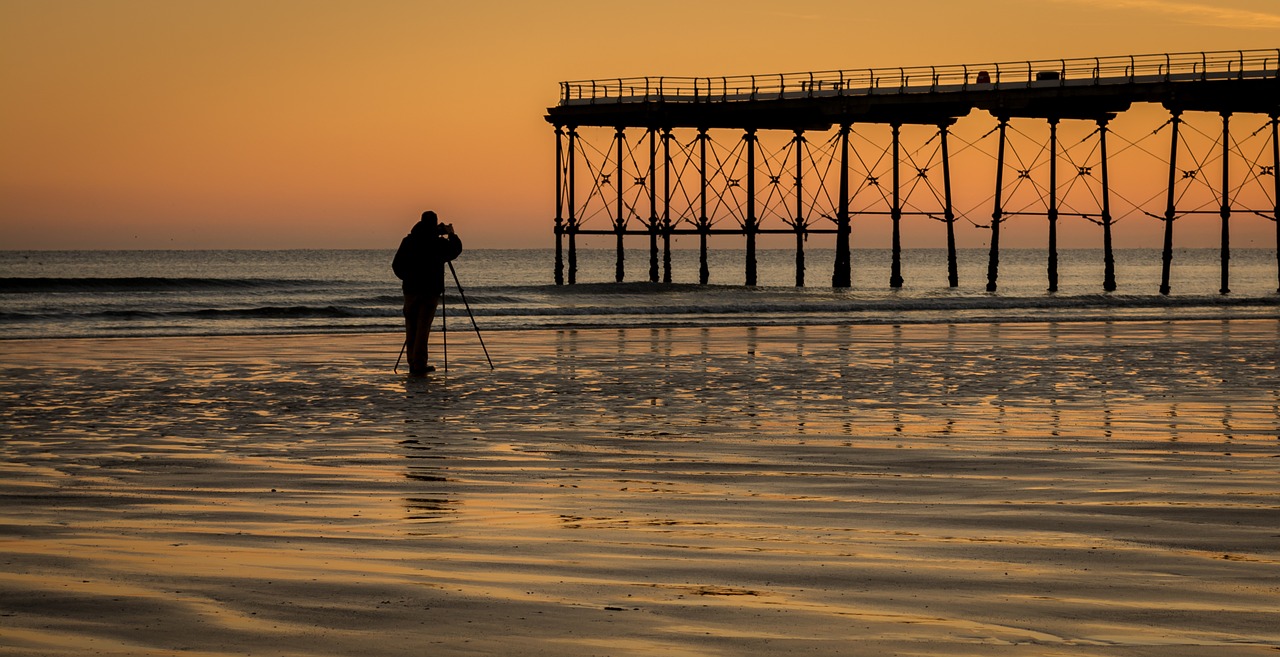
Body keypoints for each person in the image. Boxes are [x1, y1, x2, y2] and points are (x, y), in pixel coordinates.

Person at [392, 211, 463, 376]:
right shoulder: (437, 243)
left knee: (411, 327)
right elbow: (455, 250)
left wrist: (408, 277)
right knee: (423, 328)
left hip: (410, 290)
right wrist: (452, 234)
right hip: (430, 291)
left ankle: (413, 363)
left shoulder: (408, 241)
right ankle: (419, 365)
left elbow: (396, 265)